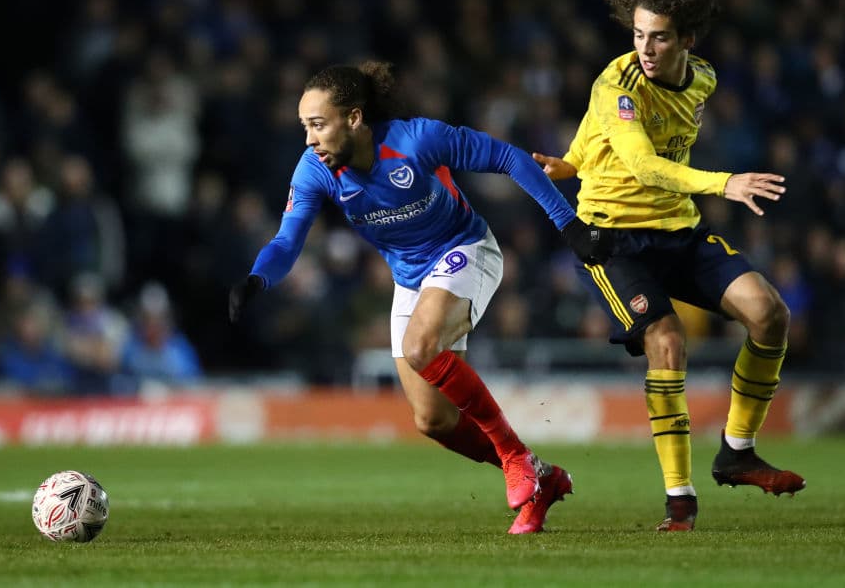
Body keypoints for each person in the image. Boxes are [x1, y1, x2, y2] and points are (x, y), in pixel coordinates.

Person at [228, 60, 610, 534]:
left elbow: (509, 158)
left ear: (354, 118)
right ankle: (540, 477)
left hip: (466, 249)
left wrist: (567, 224)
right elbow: (287, 242)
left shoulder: (416, 140)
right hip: (411, 278)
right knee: (432, 420)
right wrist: (256, 279)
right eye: (304, 127)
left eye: (318, 125)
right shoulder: (315, 170)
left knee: (419, 347)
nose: (309, 139)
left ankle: (515, 459)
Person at [532, 0, 805, 532]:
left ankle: (736, 452)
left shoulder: (701, 79)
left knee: (770, 313)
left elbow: (597, 143)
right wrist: (723, 183)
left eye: (657, 37)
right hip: (614, 239)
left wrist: (573, 162)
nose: (644, 49)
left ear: (686, 39)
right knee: (668, 340)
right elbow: (644, 163)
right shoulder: (619, 84)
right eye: (636, 34)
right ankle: (679, 498)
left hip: (676, 229)